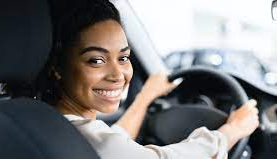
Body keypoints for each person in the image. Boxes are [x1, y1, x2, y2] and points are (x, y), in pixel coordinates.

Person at [40, 0, 259, 158]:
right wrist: (231, 131)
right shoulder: (86, 141)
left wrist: (145, 97)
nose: (118, 75)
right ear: (58, 67)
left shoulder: (45, 123)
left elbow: (112, 143)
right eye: (96, 60)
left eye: (123, 57)